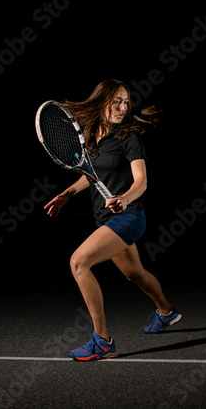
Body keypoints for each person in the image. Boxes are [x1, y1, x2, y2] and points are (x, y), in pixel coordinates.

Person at [44, 79, 181, 361]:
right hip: (105, 219)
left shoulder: (128, 137)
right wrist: (67, 194)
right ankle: (167, 312)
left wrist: (126, 198)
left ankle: (103, 341)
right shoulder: (91, 137)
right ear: (102, 102)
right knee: (134, 274)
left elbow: (142, 181)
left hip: (129, 217)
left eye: (126, 102)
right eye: (117, 101)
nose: (123, 107)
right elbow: (92, 176)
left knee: (78, 262)